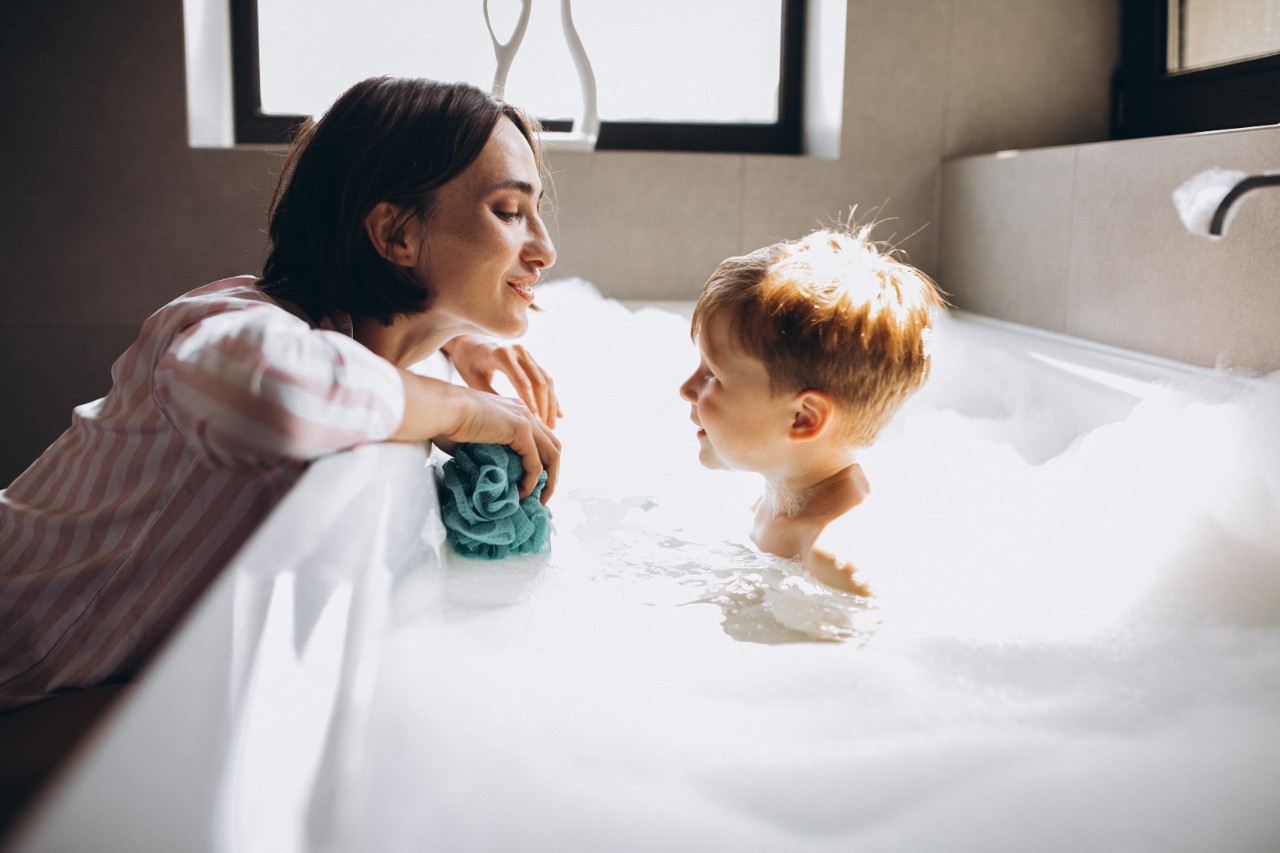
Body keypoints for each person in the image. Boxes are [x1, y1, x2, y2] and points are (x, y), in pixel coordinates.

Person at [0, 76, 562, 712]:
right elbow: (266, 395)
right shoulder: (232, 321)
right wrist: (461, 406)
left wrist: (446, 332)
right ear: (397, 236)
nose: (544, 249)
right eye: (510, 213)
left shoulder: (342, 334)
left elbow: (348, 355)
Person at [678, 226, 944, 595]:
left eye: (712, 374)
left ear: (804, 418)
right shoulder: (773, 502)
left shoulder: (835, 561)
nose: (686, 388)